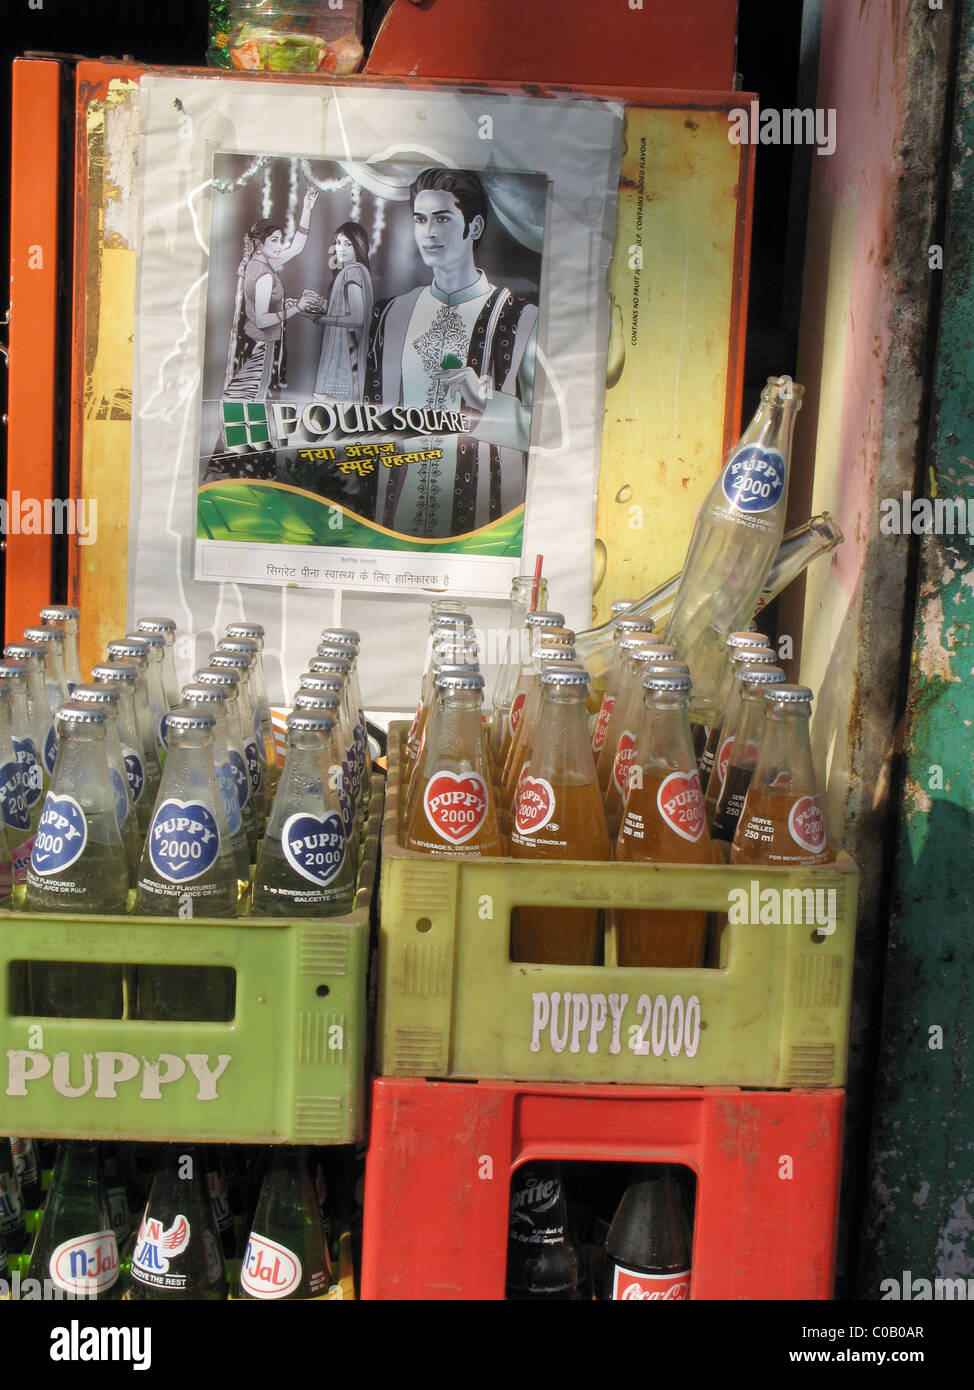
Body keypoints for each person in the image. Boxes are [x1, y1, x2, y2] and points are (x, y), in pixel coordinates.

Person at [364, 168, 539, 538]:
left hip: (484, 537)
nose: (429, 232)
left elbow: (550, 435)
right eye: (420, 219)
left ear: (474, 227)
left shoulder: (520, 319)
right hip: (394, 530)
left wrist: (484, 401)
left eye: (443, 219)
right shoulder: (390, 315)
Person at [223, 186, 319, 402]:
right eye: (274, 240)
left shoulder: (255, 263)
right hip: (261, 347)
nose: (279, 245)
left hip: (252, 344)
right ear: (260, 243)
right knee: (256, 400)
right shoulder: (264, 275)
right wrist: (297, 307)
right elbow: (262, 320)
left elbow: (296, 248)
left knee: (249, 400)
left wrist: (307, 208)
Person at [300, 221, 374, 403]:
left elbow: (357, 319)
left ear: (359, 246)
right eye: (339, 242)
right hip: (347, 360)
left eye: (348, 243)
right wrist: (320, 307)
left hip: (346, 362)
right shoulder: (357, 271)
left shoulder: (352, 273)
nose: (340, 248)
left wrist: (319, 318)